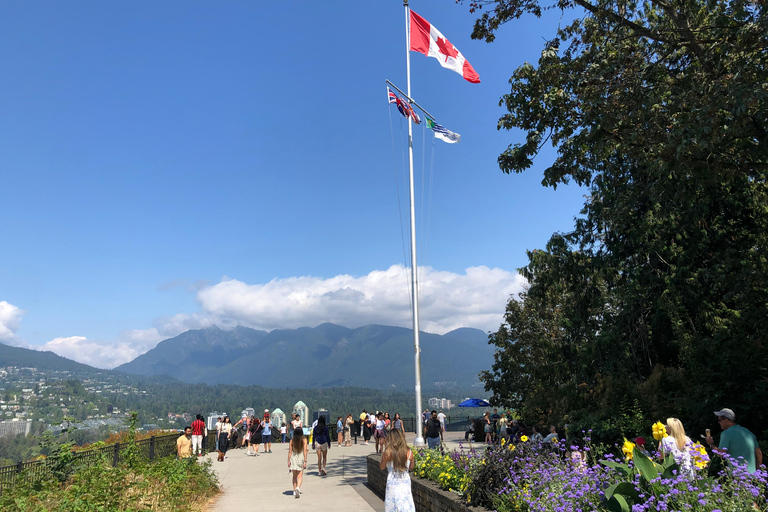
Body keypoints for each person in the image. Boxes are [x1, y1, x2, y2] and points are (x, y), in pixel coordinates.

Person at [706, 408, 763, 473]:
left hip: (737, 476)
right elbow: (758, 453)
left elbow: (721, 454)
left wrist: (711, 444)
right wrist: (758, 473)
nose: (718, 423)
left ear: (726, 420)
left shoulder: (726, 433)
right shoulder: (748, 433)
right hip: (752, 477)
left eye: (719, 420)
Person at [380, 428, 415, 512]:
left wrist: (383, 448)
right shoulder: (409, 452)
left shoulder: (388, 452)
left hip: (392, 481)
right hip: (405, 481)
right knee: (406, 502)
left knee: (393, 504)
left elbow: (382, 467)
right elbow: (411, 467)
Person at [288, 427, 308, 498]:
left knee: (294, 476)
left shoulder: (292, 441)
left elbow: (290, 451)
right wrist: (305, 461)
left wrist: (288, 461)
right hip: (301, 457)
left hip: (294, 457)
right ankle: (298, 488)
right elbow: (305, 451)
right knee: (300, 475)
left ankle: (294, 490)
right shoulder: (304, 440)